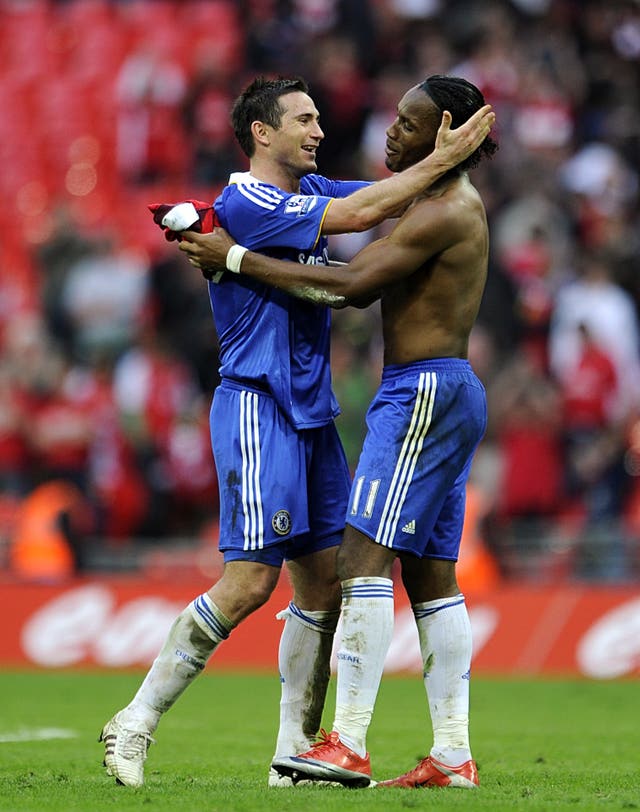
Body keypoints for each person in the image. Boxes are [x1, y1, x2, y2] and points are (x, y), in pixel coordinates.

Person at [100, 75, 494, 789]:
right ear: (262, 133)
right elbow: (370, 211)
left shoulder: (311, 193)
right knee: (251, 580)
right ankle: (135, 720)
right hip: (258, 403)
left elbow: (382, 197)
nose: (319, 130)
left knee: (322, 587)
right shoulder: (251, 200)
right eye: (304, 120)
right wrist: (447, 157)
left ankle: (293, 759)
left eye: (318, 118)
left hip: (312, 412)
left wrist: (443, 165)